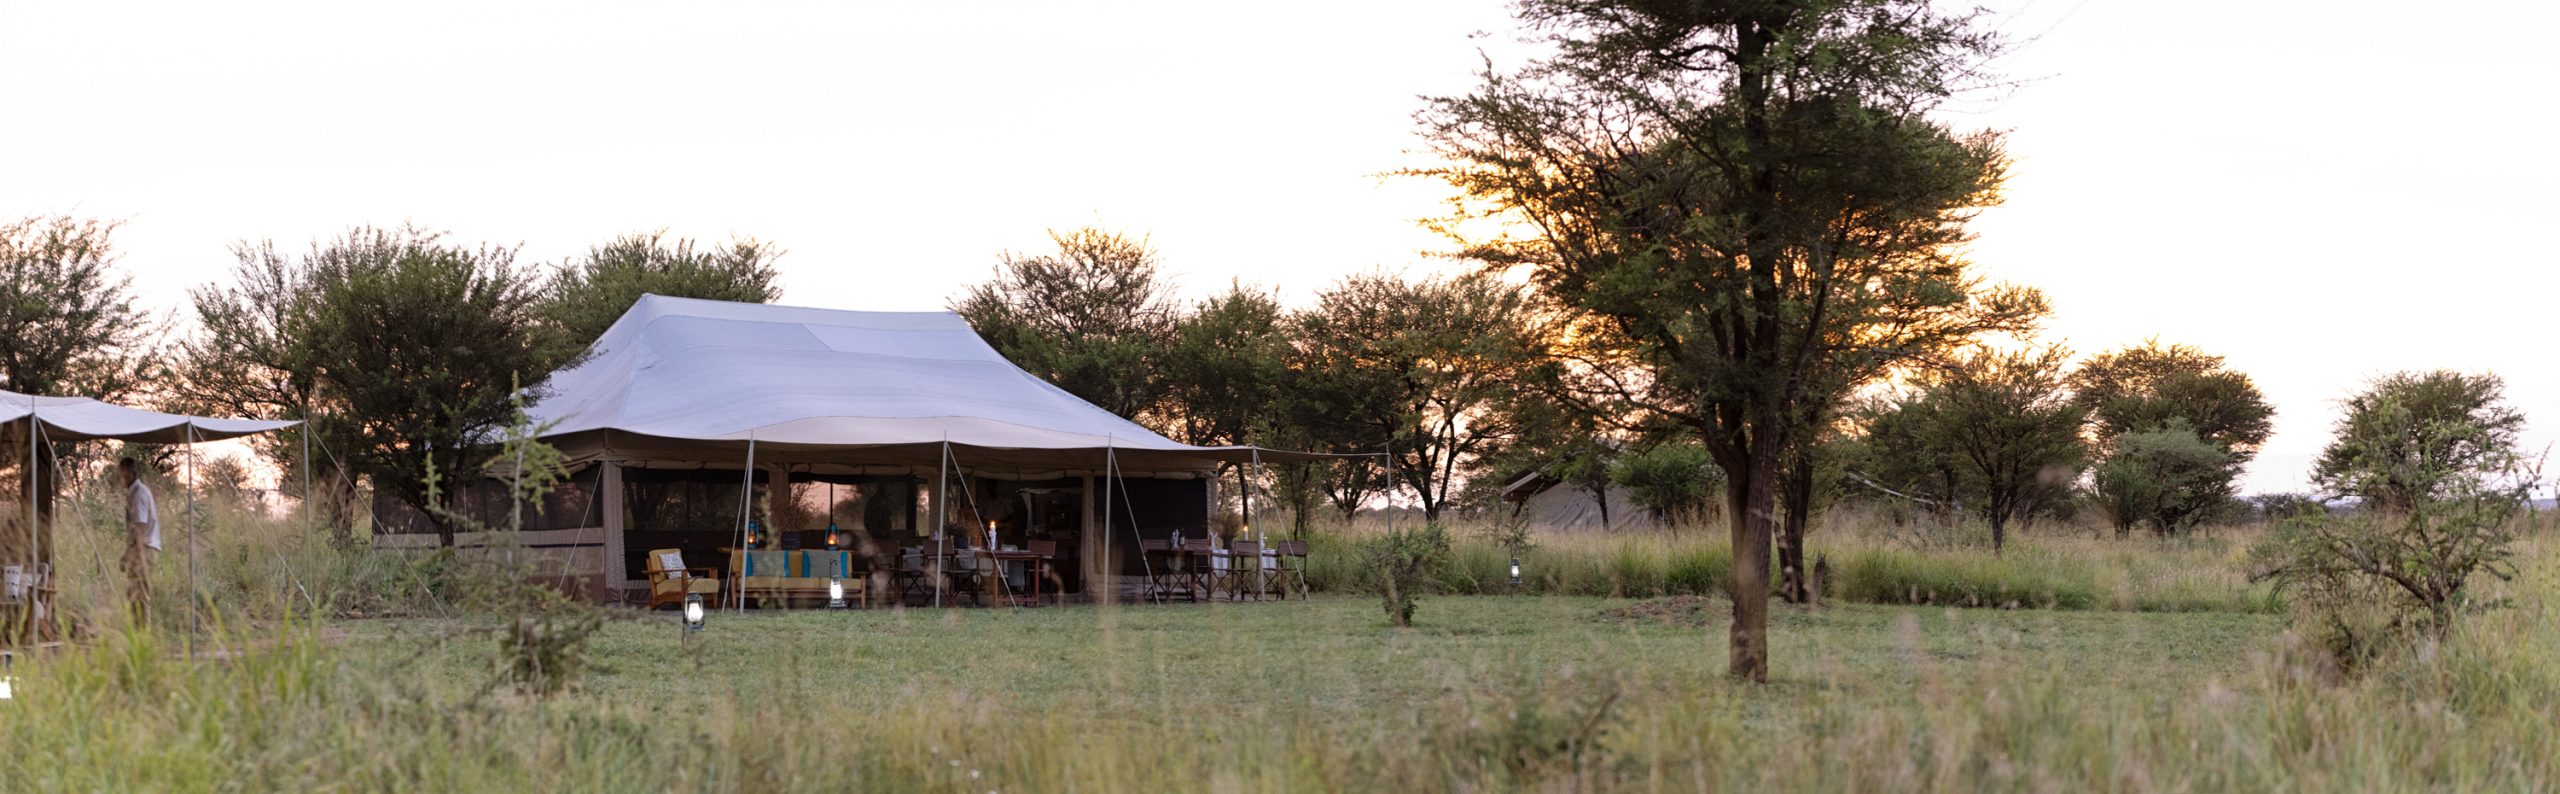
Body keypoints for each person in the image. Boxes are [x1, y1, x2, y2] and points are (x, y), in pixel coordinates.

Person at [118, 457, 160, 621]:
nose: (118, 477)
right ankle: (137, 635)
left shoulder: (139, 494)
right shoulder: (135, 492)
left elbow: (140, 529)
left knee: (140, 596)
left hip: (144, 549)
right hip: (143, 548)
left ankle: (143, 638)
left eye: (120, 473)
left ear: (128, 473)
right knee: (134, 595)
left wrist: (130, 555)